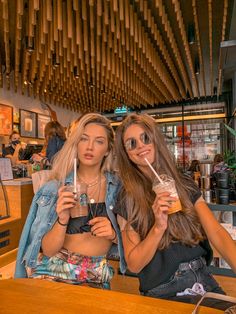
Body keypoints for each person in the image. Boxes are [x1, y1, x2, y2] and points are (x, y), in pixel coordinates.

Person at [114, 113, 236, 310]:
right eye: (131, 143)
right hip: (164, 290)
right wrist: (158, 227)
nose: (141, 146)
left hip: (203, 279)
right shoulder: (126, 198)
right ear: (126, 153)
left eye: (145, 138)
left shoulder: (183, 183)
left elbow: (217, 234)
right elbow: (134, 264)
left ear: (155, 139)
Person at [15, 113, 126, 288]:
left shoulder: (119, 188)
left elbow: (133, 244)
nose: (89, 147)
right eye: (84, 139)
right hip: (53, 272)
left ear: (108, 149)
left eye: (99, 141)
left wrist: (113, 235)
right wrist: (62, 220)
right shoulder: (54, 188)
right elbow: (49, 251)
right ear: (76, 144)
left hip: (95, 274)